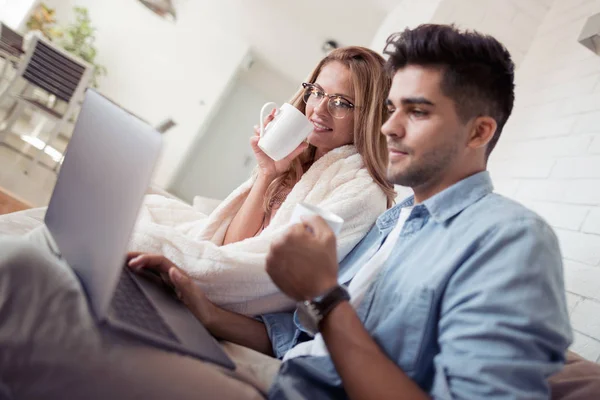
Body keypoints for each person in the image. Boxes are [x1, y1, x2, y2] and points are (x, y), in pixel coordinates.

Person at [0, 25, 572, 399]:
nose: (390, 127)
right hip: (272, 374)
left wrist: (326, 297)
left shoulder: (510, 239)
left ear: (479, 131)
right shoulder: (396, 226)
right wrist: (202, 308)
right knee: (35, 265)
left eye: (416, 112)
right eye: (391, 109)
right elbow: (290, 338)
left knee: (24, 277)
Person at [0, 46, 395, 316]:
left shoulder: (358, 192)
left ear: (370, 116)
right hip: (230, 244)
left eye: (342, 102)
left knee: (93, 230)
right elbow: (232, 244)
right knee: (101, 208)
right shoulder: (298, 160)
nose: (320, 109)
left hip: (233, 297)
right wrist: (267, 174)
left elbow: (250, 273)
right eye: (316, 92)